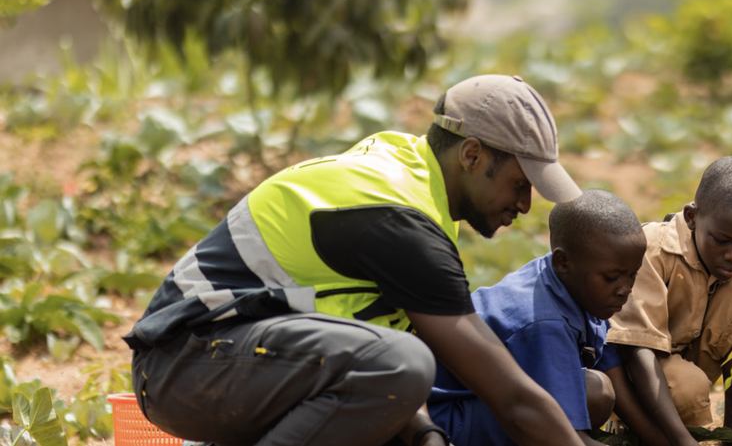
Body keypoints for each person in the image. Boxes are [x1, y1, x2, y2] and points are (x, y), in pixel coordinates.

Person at [122, 74, 596, 446]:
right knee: (403, 366)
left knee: (401, 375)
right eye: (520, 183)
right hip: (183, 363)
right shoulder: (398, 219)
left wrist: (428, 436)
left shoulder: (409, 175)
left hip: (229, 361)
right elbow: (511, 400)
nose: (526, 204)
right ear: (471, 155)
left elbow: (373, 342)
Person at [606, 156, 732, 446]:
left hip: (688, 371)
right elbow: (638, 355)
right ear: (691, 217)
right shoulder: (651, 251)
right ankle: (640, 436)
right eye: (722, 240)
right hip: (638, 381)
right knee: (686, 387)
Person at [428, 189, 646, 445]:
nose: (625, 289)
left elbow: (613, 374)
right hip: (442, 421)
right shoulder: (544, 322)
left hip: (480, 399)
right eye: (612, 278)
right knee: (584, 397)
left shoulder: (577, 283)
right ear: (563, 261)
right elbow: (561, 437)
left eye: (633, 276)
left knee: (595, 390)